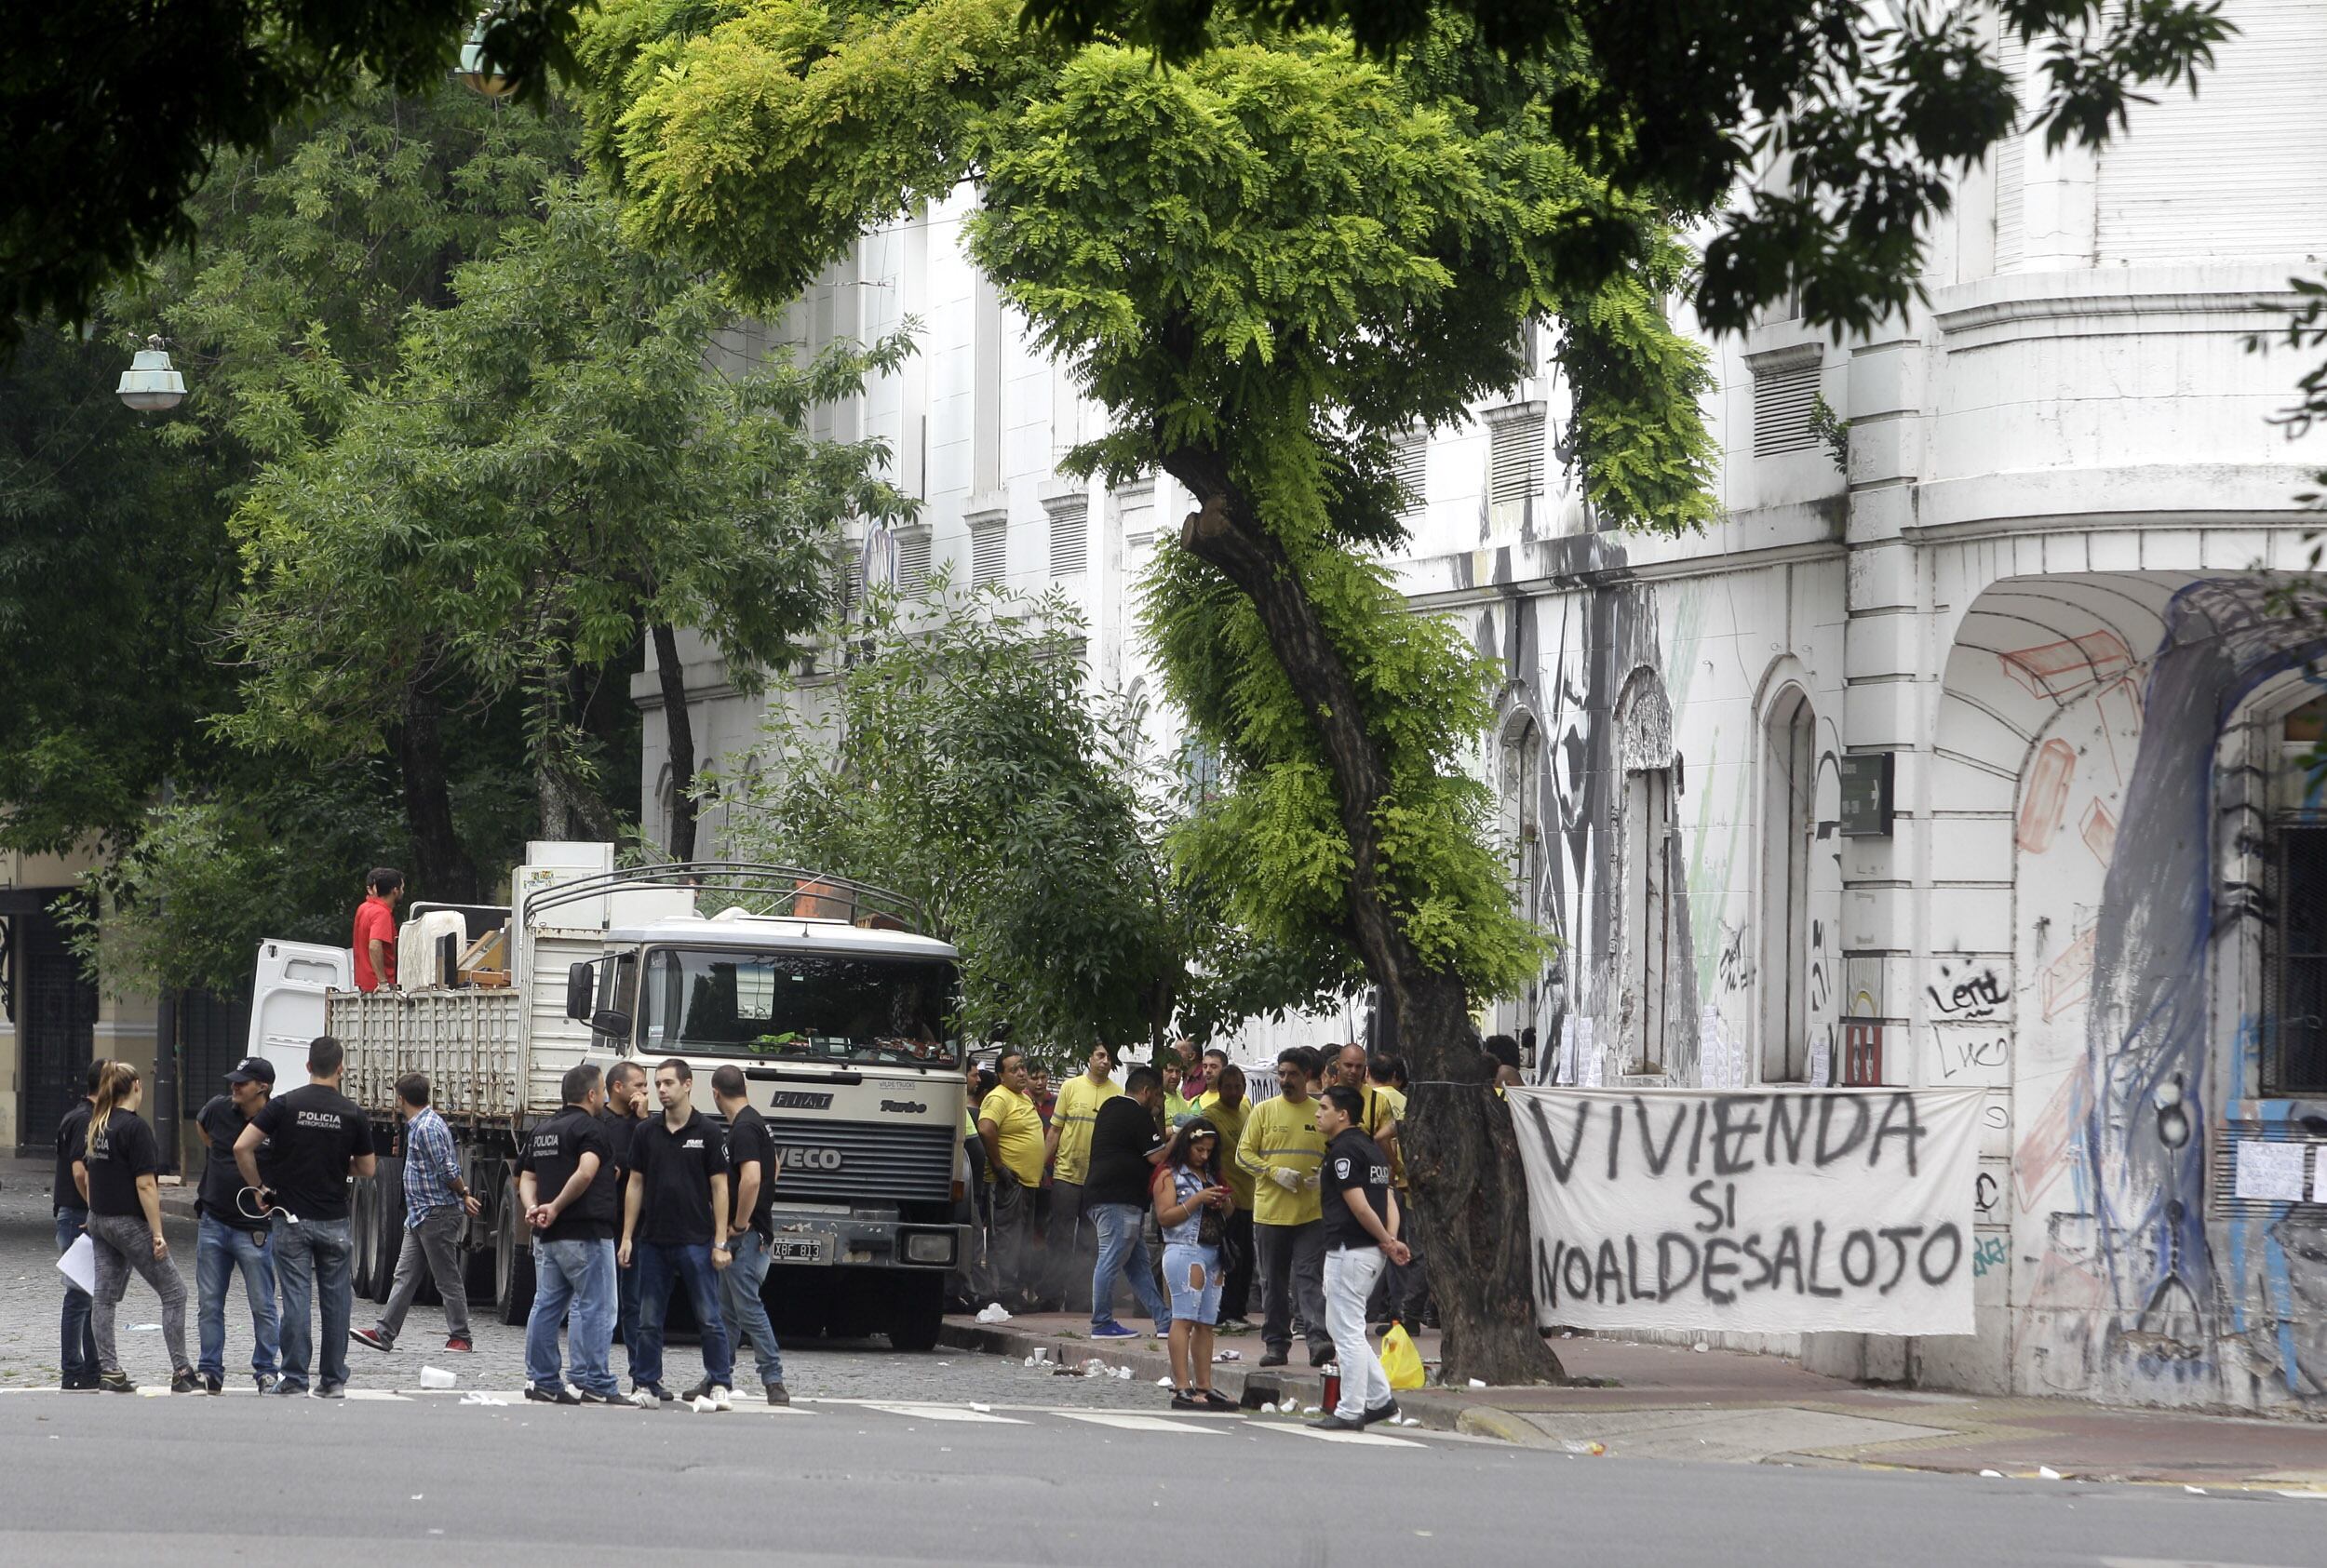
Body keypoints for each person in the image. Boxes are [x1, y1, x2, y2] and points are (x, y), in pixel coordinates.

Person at [236, 1035, 377, 1399]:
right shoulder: (352, 1113)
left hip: (291, 1217)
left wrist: (259, 1189)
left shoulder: (284, 1105)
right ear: (341, 1068)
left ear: (309, 1066)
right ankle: (333, 1381)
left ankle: (295, 1378)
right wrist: (334, 1163)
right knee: (337, 1303)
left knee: (296, 1299)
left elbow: (242, 1146)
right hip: (335, 1221)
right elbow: (368, 1168)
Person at [76, 1063, 196, 1394]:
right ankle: (182, 1372)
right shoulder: (135, 1128)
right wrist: (157, 1232)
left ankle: (110, 1370)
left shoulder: (98, 1125)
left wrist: (93, 1209)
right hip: (128, 1222)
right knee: (175, 1293)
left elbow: (87, 1175)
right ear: (137, 1086)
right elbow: (145, 1185)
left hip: (100, 1219)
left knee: (104, 1297)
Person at [621, 1058, 734, 1409]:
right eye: (657, 1084)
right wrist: (627, 1236)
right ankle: (646, 1383)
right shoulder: (646, 1132)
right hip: (653, 1239)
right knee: (648, 1318)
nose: (661, 1090)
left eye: (668, 1083)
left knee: (709, 1316)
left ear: (688, 1085)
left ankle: (719, 1382)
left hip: (696, 1240)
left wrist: (720, 1241)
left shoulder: (709, 1132)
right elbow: (634, 1184)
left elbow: (720, 1188)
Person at [518, 1063, 625, 1405]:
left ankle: (543, 1380)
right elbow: (586, 1172)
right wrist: (558, 1206)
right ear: (592, 1094)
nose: (605, 1098)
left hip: (549, 1236)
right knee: (597, 1307)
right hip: (586, 1232)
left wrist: (535, 1207)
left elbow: (526, 1177)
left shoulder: (544, 1129)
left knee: (546, 1305)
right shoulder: (592, 1128)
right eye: (603, 1091)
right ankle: (597, 1382)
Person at [354, 1073, 481, 1355]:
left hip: (435, 1213)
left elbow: (447, 1169)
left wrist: (463, 1193)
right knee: (404, 1275)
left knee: (446, 1277)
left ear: (400, 1098)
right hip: (420, 1215)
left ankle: (461, 1336)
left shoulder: (426, 1128)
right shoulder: (423, 1124)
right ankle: (384, 1333)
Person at [1310, 1085, 1409, 1430]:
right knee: (1346, 1327)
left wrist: (1386, 1240)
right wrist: (1390, 1239)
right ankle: (1380, 1400)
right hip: (1368, 1250)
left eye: (1324, 1107)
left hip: (1349, 1249)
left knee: (1347, 1332)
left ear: (1343, 1114)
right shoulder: (1372, 1149)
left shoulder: (1345, 1151)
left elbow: (1360, 1205)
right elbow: (1389, 1200)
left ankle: (1351, 1409)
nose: (1318, 1113)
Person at [1237, 1045, 1330, 1369]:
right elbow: (1243, 1155)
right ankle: (1276, 1344)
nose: (1285, 1080)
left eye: (1292, 1074)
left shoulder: (1320, 1113)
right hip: (1271, 1213)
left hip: (1310, 1213)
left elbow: (1335, 1152)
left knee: (1309, 1278)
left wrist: (1325, 1176)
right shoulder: (1263, 1112)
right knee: (1273, 1282)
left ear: (1307, 1076)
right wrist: (1275, 1172)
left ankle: (1318, 1340)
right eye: (1281, 1074)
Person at [193, 1057, 280, 1394]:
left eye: (242, 1082)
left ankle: (265, 1369)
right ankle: (210, 1370)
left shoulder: (275, 1121)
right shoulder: (218, 1109)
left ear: (263, 1087)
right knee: (210, 1302)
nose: (235, 1086)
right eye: (234, 1080)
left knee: (263, 1303)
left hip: (254, 1229)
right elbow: (203, 1127)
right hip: (214, 1220)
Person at [709, 1064, 789, 1406]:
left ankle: (773, 1379)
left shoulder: (742, 1128)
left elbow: (753, 1177)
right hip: (754, 1229)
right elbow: (775, 1166)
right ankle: (718, 1377)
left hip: (747, 1233)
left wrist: (740, 1223)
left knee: (746, 1309)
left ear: (715, 1093)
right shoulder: (758, 1122)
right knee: (727, 1310)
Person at [1152, 1118, 1237, 1412]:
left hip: (1212, 1252)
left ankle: (1204, 1384)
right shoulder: (1169, 1175)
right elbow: (1165, 1216)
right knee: (1184, 1317)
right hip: (1184, 1249)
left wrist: (1221, 1201)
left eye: (1208, 1151)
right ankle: (1182, 1385)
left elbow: (1230, 1210)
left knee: (1206, 1322)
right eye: (1199, 1150)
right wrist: (1198, 1200)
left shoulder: (1212, 1173)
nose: (1204, 1156)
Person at [1083, 1065, 1172, 1339]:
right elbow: (1157, 1157)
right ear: (1146, 1092)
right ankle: (1101, 1322)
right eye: (1158, 1097)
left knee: (1138, 1265)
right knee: (1110, 1258)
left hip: (1106, 1196)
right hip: (1118, 1200)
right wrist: (1179, 1139)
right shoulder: (1137, 1113)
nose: (1159, 1104)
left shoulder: (1110, 1107)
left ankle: (1164, 1320)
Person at [1044, 1043, 1118, 1314]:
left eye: (1109, 1057)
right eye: (1100, 1055)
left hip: (1097, 1180)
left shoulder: (1117, 1094)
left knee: (1090, 1241)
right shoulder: (1070, 1087)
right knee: (1059, 1238)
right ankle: (1050, 1296)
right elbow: (1054, 1131)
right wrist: (1042, 1166)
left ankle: (1080, 1298)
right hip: (1066, 1174)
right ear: (1089, 1058)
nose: (1105, 1061)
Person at [976, 1050, 1044, 1310]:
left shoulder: (1022, 1098)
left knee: (1021, 1241)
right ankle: (1003, 1293)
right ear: (1001, 1075)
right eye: (1014, 1069)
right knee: (1005, 1240)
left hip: (1027, 1182)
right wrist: (999, 1166)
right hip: (1007, 1182)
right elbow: (985, 1127)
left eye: (1023, 1068)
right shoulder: (999, 1097)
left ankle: (1014, 1291)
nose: (1021, 1073)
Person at [53, 1057, 106, 1390]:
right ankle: (74, 1369)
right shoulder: (86, 1120)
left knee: (90, 1294)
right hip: (78, 1215)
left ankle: (89, 1368)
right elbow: (78, 1171)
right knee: (79, 1296)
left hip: (74, 1212)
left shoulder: (79, 1116)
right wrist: (94, 1209)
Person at [599, 1060, 652, 1373]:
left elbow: (658, 1161)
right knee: (602, 1300)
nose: (646, 1092)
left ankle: (641, 1369)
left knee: (636, 1301)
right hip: (605, 1220)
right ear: (617, 1087)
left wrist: (644, 1119)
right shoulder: (599, 1122)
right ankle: (596, 1368)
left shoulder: (647, 1125)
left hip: (640, 1223)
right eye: (639, 1085)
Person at [1366, 1051, 1423, 1329]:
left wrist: (1389, 1163)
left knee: (1378, 1245)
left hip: (1376, 1183)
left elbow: (1375, 1139)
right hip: (1404, 1184)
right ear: (1398, 1078)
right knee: (1401, 1246)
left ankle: (1375, 1310)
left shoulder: (1369, 1101)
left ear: (1368, 1074)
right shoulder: (1409, 1103)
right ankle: (1400, 1311)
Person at [1197, 1062, 1256, 1333]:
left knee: (1245, 1259)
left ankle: (1238, 1311)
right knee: (1228, 1257)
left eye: (1238, 1087)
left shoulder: (1246, 1110)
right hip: (1226, 1199)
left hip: (1250, 1197)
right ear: (1218, 1089)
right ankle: (1223, 1312)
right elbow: (1205, 1156)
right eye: (1228, 1087)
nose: (1233, 1092)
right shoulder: (1211, 1115)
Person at [352, 866, 403, 993]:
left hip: (366, 986)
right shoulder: (381, 913)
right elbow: (374, 946)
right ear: (395, 891)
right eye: (402, 888)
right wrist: (383, 983)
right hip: (380, 989)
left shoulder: (364, 908)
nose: (403, 892)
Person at [1161, 1058, 1193, 1126]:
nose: (1174, 1076)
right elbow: (1154, 1132)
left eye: (1178, 1071)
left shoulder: (1178, 1092)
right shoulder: (1155, 1098)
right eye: (1170, 1071)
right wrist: (1174, 1130)